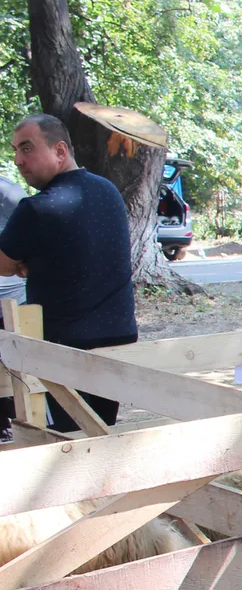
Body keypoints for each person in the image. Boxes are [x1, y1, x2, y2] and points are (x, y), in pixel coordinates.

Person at [0, 113, 138, 433]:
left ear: (60, 151)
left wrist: (21, 261)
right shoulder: (109, 193)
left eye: (27, 148)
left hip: (61, 352)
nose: (19, 160)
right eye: (15, 151)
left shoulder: (36, 208)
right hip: (119, 344)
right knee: (97, 435)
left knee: (64, 442)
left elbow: (3, 265)